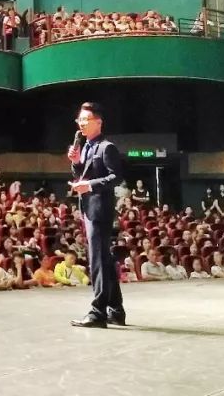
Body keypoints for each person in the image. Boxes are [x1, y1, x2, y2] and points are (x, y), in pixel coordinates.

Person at [68, 102, 126, 328]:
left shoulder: (106, 147)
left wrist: (89, 186)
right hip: (89, 208)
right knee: (106, 261)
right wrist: (75, 164)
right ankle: (116, 310)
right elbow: (81, 174)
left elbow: (116, 177)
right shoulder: (86, 147)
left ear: (98, 122)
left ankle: (97, 312)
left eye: (85, 120)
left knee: (98, 260)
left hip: (100, 208)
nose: (81, 124)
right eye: (79, 120)